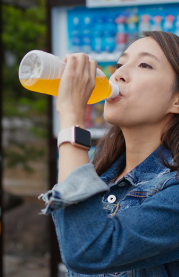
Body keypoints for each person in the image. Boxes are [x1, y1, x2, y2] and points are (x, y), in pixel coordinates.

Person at [39, 31, 179, 276]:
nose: (118, 74)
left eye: (144, 64)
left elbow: (89, 250)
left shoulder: (173, 193)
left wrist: (71, 117)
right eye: (120, 64)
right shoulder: (100, 172)